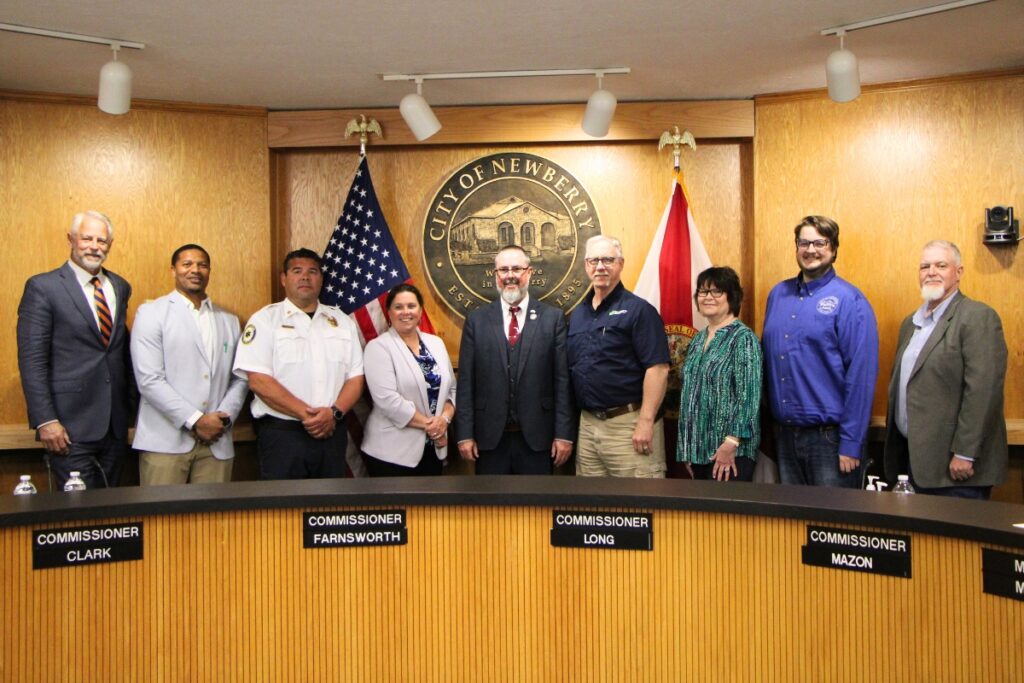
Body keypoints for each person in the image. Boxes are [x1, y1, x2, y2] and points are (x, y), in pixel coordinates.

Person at [16, 211, 134, 490]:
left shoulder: (120, 286)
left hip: (114, 426)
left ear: (110, 245)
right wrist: (46, 420)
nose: (94, 246)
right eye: (87, 239)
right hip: (68, 427)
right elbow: (32, 360)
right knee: (78, 510)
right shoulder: (43, 287)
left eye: (101, 241)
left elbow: (119, 352)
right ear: (70, 240)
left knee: (113, 508)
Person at [883, 240, 1008, 499]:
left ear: (958, 272)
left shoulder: (977, 317)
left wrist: (965, 453)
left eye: (941, 265)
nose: (931, 272)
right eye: (924, 266)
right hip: (913, 463)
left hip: (955, 470)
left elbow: (983, 391)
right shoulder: (910, 324)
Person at [762, 215, 878, 488]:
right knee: (792, 516)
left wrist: (851, 442)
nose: (810, 250)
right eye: (804, 243)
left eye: (819, 243)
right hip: (785, 437)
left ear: (834, 249)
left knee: (832, 516)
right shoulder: (778, 295)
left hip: (831, 441)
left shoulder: (850, 300)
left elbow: (861, 376)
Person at [232, 248, 364, 479]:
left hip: (331, 431)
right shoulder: (264, 320)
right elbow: (259, 381)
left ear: (321, 279)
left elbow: (356, 378)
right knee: (284, 502)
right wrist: (309, 416)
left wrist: (333, 414)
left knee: (330, 500)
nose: (305, 277)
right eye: (297, 271)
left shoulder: (342, 322)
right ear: (284, 279)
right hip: (283, 434)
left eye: (312, 271)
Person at [131, 244, 249, 485]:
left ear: (209, 271)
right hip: (165, 442)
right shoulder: (151, 313)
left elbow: (240, 377)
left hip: (217, 442)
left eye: (202, 265)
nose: (195, 270)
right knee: (160, 510)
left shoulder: (229, 320)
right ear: (173, 270)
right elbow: (149, 380)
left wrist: (222, 420)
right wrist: (195, 420)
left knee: (213, 512)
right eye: (187, 264)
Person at [455, 245, 574, 474]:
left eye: (517, 269)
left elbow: (562, 382)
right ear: (495, 275)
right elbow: (466, 383)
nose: (510, 275)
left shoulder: (553, 319)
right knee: (490, 499)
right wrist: (465, 435)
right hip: (488, 441)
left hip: (539, 439)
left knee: (536, 498)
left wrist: (563, 435)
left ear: (529, 272)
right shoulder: (476, 321)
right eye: (503, 270)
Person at [568, 235, 670, 478]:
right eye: (594, 261)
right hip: (588, 426)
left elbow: (658, 369)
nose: (600, 266)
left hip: (629, 425)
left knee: (637, 499)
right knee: (591, 500)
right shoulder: (579, 314)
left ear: (621, 264)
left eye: (607, 260)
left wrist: (645, 421)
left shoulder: (640, 311)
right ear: (586, 265)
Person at [676, 266, 762, 481]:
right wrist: (688, 449)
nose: (708, 297)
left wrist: (731, 443)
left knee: (727, 506)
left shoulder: (743, 338)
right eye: (703, 291)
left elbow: (749, 397)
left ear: (732, 296)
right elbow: (690, 395)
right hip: (698, 451)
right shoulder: (698, 339)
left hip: (731, 453)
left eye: (716, 291)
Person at [362, 284, 456, 476]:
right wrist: (433, 427)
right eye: (399, 307)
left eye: (411, 306)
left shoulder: (436, 343)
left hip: (433, 449)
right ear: (389, 313)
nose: (406, 312)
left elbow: (452, 390)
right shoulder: (378, 347)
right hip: (391, 454)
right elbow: (388, 401)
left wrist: (444, 419)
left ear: (420, 311)